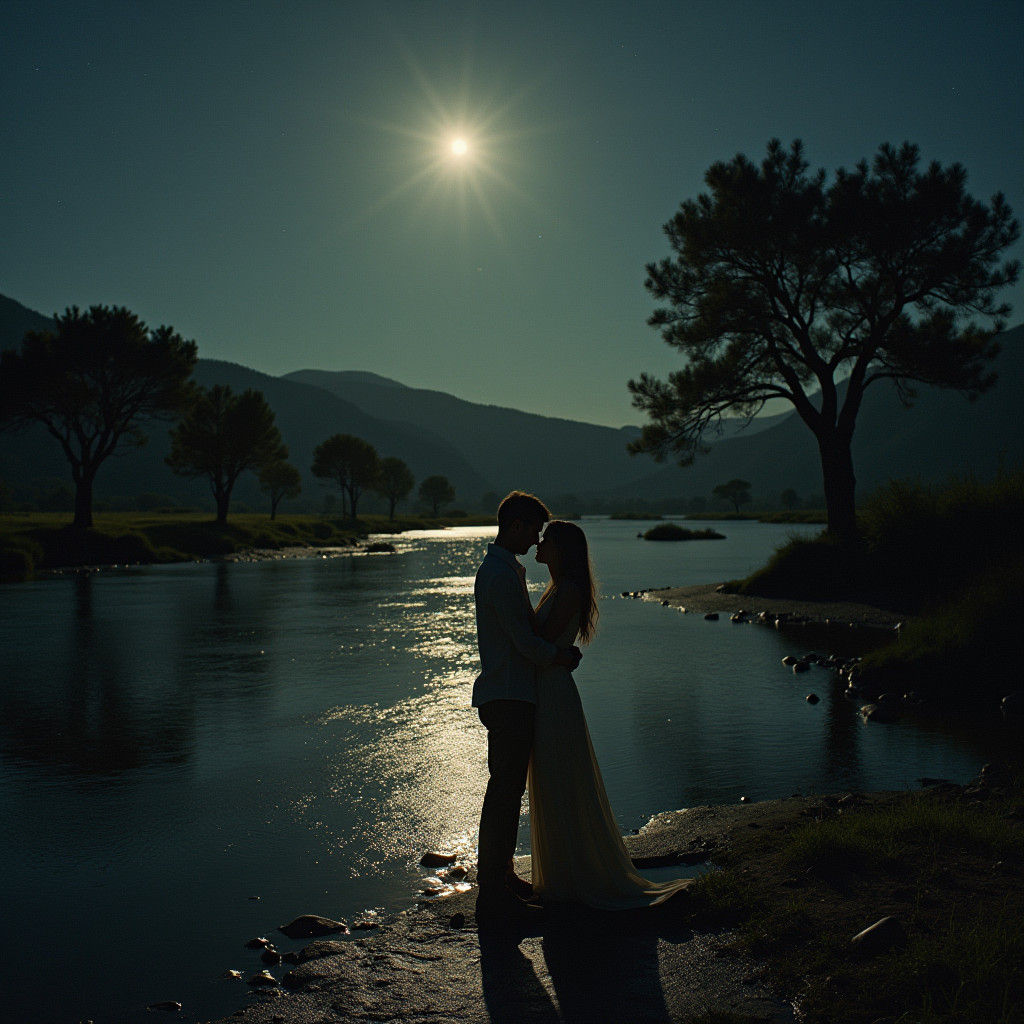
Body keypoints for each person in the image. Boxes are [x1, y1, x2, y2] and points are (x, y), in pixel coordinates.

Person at [528, 519, 694, 908]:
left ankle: (572, 877)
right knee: (555, 778)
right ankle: (562, 873)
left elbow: (541, 642)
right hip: (549, 688)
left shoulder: (567, 589)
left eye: (546, 538)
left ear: (560, 548)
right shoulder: (557, 586)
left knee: (562, 778)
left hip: (553, 693)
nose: (538, 542)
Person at [472, 492, 582, 924]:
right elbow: (525, 642)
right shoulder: (499, 575)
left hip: (511, 692)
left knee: (507, 790)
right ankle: (492, 891)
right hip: (508, 694)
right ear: (515, 525)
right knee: (503, 793)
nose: (537, 538)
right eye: (534, 529)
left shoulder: (506, 570)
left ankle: (501, 878)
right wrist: (561, 656)